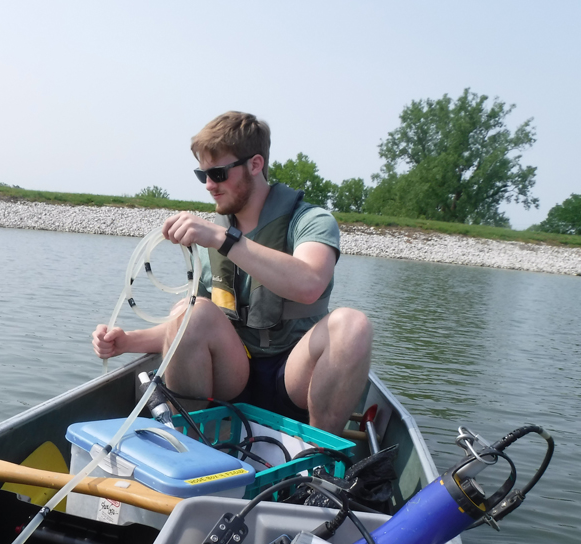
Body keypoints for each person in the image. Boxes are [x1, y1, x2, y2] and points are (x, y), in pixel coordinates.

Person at [92, 111, 372, 435]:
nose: (210, 185)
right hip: (232, 375)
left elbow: (309, 284)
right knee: (189, 311)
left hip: (294, 376)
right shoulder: (213, 234)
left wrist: (224, 240)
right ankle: (190, 446)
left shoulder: (311, 221)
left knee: (352, 325)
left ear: (255, 165)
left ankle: (322, 457)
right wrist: (126, 342)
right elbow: (191, 329)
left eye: (219, 173)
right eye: (203, 175)